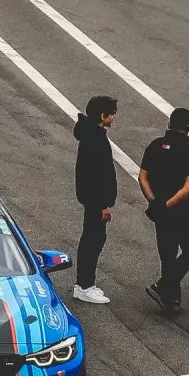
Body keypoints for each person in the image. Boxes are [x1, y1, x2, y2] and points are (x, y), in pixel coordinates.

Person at [139, 107, 189, 313]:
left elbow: (142, 177)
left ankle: (171, 297)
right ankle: (165, 287)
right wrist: (167, 204)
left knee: (168, 254)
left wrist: (154, 201)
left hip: (160, 212)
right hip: (185, 212)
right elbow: (188, 188)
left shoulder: (155, 146)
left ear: (169, 124)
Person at [72, 95, 117, 305]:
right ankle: (85, 286)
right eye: (112, 114)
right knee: (93, 240)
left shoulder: (90, 134)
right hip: (95, 201)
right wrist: (103, 205)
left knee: (93, 239)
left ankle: (85, 284)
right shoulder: (96, 139)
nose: (114, 117)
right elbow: (98, 174)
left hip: (91, 199)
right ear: (102, 115)